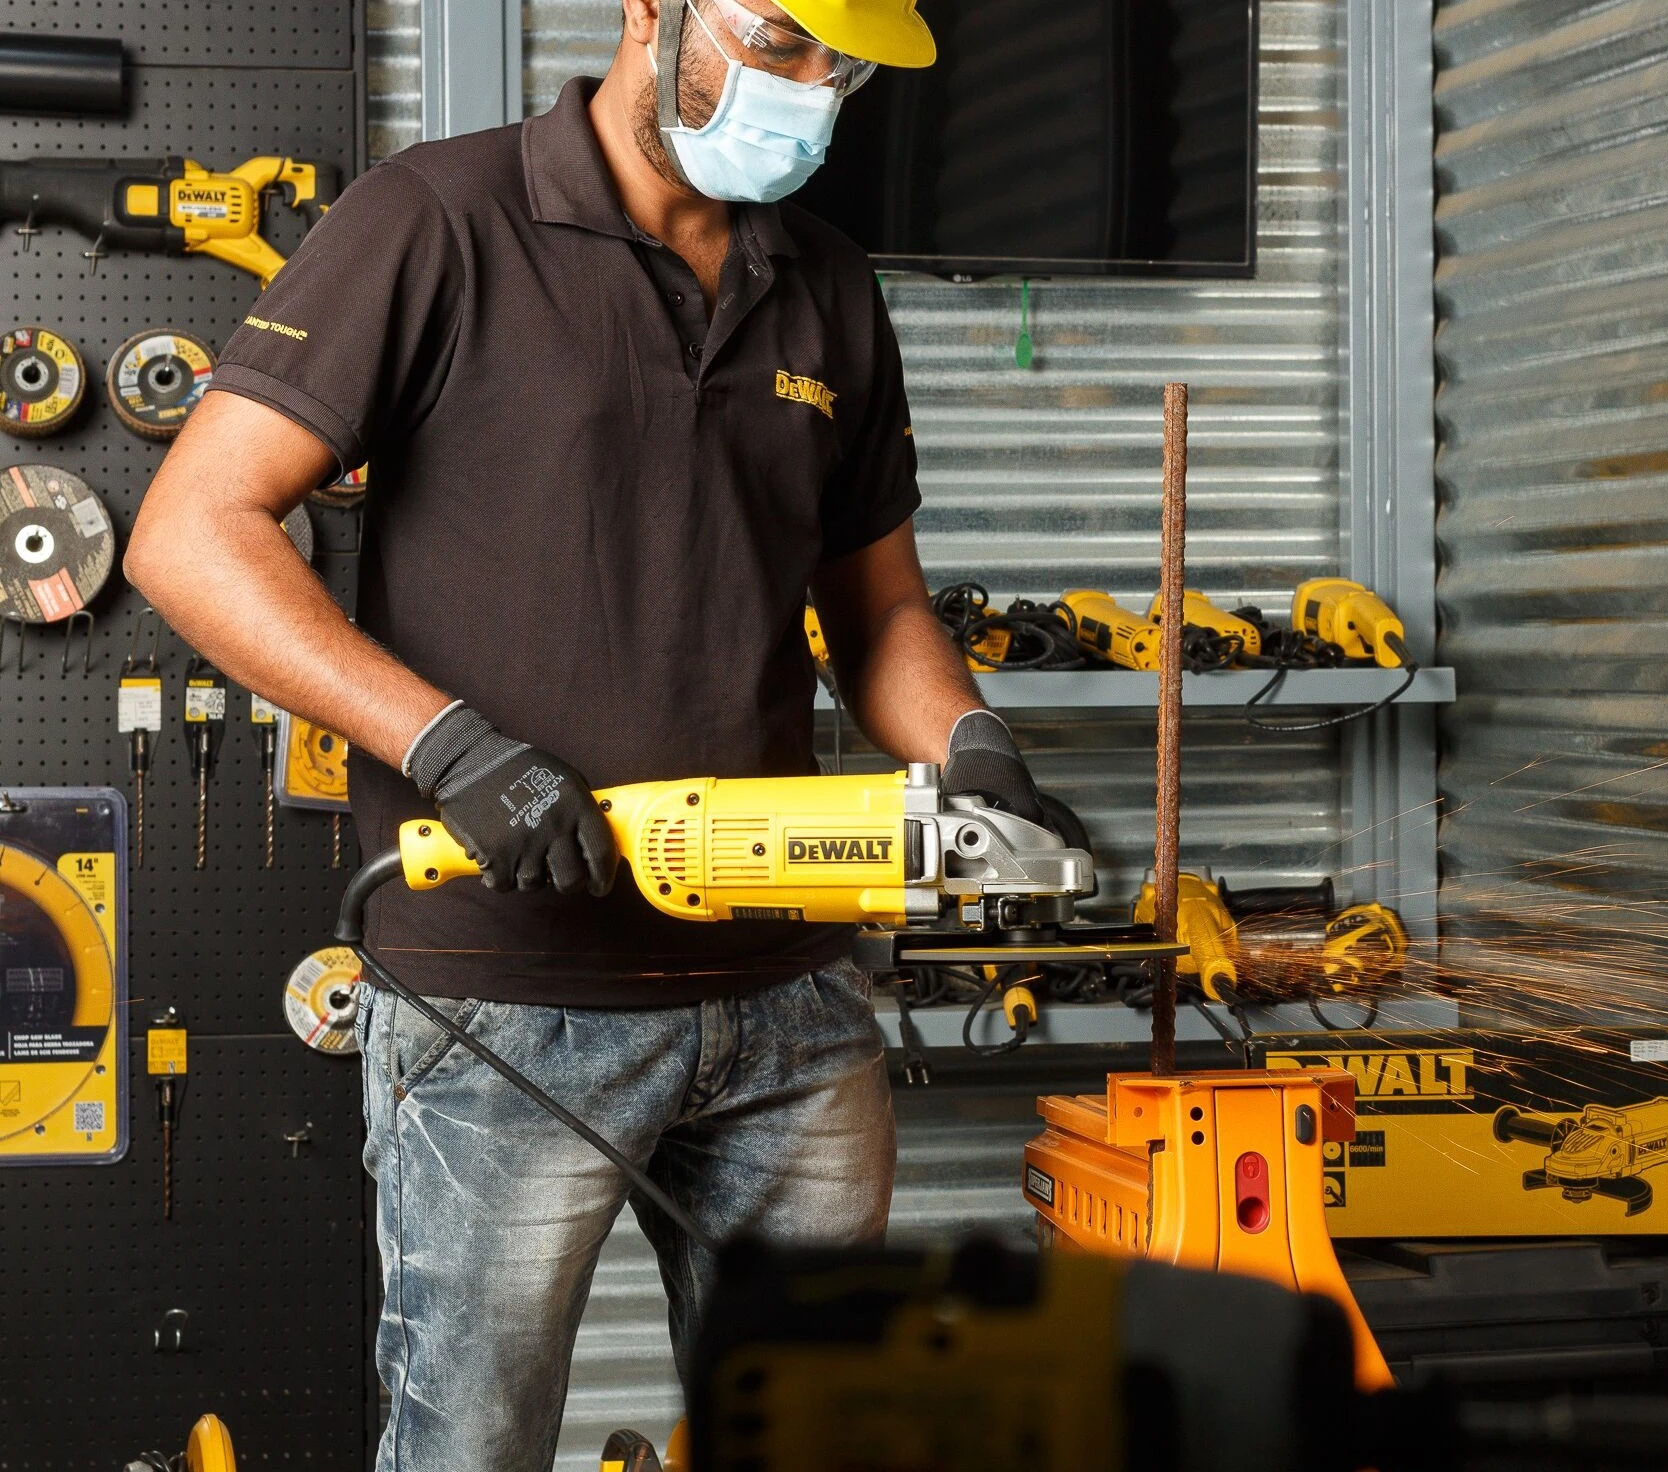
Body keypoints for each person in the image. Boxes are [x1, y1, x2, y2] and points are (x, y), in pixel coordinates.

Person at [124, 1, 1046, 1467]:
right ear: (649, 11)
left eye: (848, 65)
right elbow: (191, 533)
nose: (816, 91)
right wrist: (449, 748)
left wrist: (975, 747)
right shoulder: (436, 218)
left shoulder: (827, 279)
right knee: (472, 1451)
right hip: (505, 1003)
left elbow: (876, 611)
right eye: (784, 40)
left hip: (791, 1002)